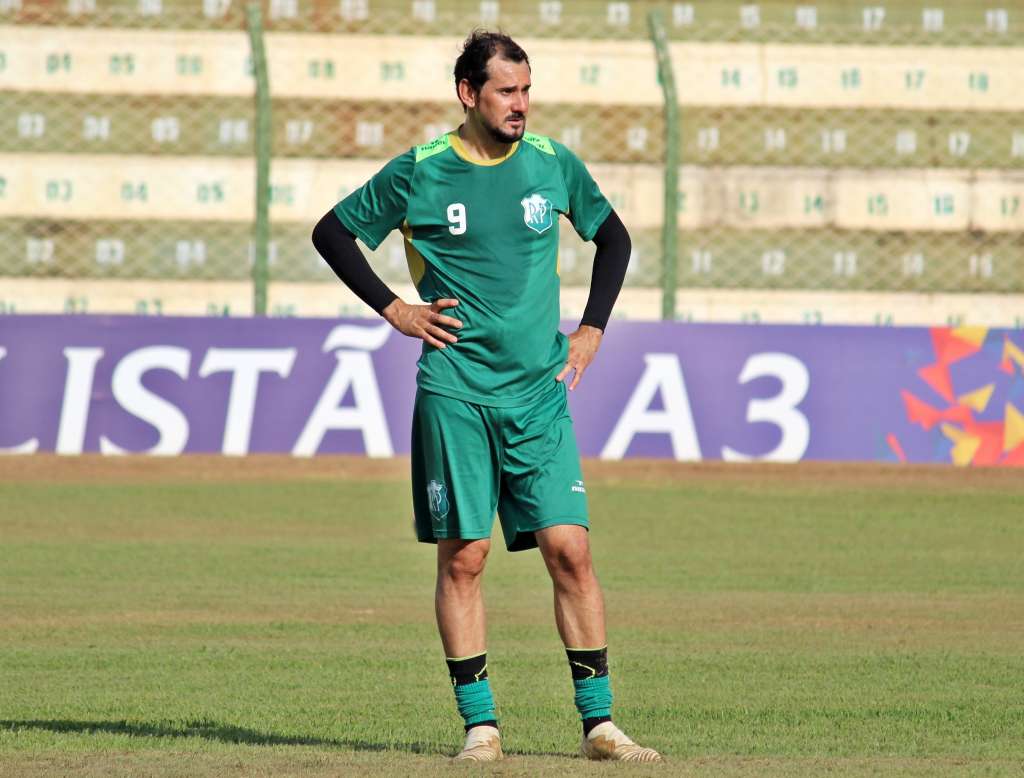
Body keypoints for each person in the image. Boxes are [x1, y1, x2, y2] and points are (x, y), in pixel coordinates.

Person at [312, 30, 660, 764]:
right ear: (468, 93)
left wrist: (593, 328)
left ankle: (599, 726)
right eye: (506, 91)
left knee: (571, 550)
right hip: (457, 391)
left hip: (537, 393)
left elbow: (616, 238)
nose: (521, 106)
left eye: (527, 90)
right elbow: (334, 232)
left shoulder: (551, 164)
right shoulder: (422, 171)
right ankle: (481, 728)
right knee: (465, 557)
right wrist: (394, 308)